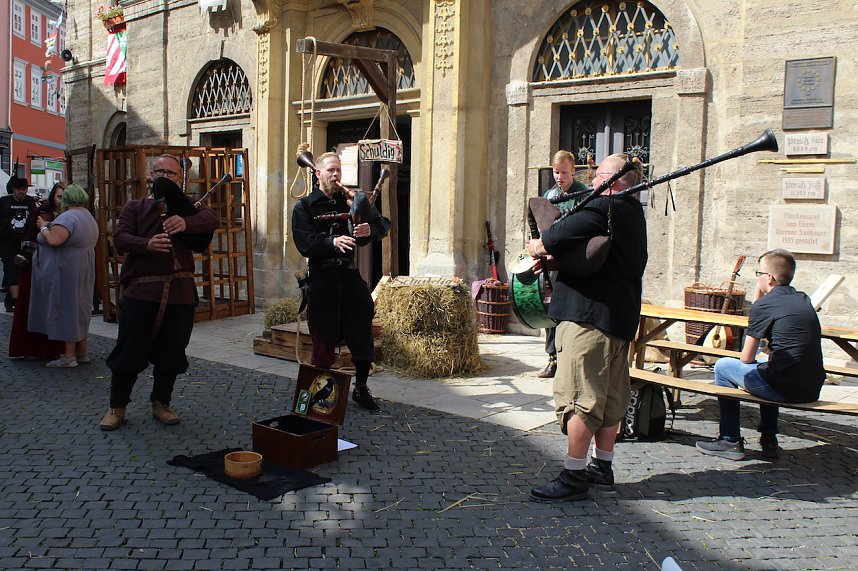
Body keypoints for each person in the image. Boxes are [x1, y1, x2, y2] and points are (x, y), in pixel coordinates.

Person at [526, 153, 647, 502]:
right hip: (619, 318)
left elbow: (555, 233)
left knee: (581, 397)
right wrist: (558, 259)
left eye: (599, 176)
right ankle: (602, 467)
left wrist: (539, 247)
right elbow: (596, 255)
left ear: (613, 182)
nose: (592, 181)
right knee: (609, 397)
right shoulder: (632, 213)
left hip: (589, 319)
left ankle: (574, 474)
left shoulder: (602, 209)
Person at [100, 154, 219, 431]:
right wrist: (147, 244)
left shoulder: (187, 206)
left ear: (179, 179)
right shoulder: (135, 206)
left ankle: (161, 403)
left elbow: (211, 218)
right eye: (160, 171)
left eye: (171, 173)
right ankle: (117, 406)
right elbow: (120, 238)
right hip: (142, 292)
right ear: (151, 176)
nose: (165, 177)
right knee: (129, 350)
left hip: (179, 293)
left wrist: (187, 224)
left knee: (171, 353)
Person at [696, 249, 825, 460]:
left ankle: (729, 440)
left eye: (759, 274)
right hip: (812, 388)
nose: (757, 278)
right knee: (768, 365)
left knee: (723, 366)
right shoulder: (803, 299)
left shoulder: (764, 306)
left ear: (769, 278)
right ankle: (769, 439)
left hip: (785, 389)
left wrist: (758, 299)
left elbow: (746, 357)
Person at [291, 152, 389, 413]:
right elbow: (305, 244)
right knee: (323, 338)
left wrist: (369, 230)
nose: (336, 175)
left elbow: (382, 226)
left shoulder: (352, 201)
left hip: (349, 275)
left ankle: (361, 388)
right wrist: (331, 242)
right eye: (331, 170)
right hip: (322, 279)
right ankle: (317, 399)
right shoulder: (304, 207)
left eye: (339, 171)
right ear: (318, 173)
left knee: (361, 332)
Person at [27, 184, 99, 367]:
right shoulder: (88, 216)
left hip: (66, 270)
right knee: (80, 307)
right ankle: (81, 352)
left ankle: (69, 356)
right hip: (83, 266)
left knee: (68, 308)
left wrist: (43, 227)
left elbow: (54, 240)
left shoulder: (68, 217)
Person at [537, 150, 589, 379]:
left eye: (564, 173)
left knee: (573, 311)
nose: (559, 177)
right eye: (556, 172)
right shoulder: (550, 194)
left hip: (575, 260)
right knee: (551, 307)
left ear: (573, 171)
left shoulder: (584, 193)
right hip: (553, 261)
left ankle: (572, 359)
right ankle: (552, 358)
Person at [8, 182, 66, 360]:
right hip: (36, 268)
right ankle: (32, 348)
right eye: (59, 197)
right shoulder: (39, 213)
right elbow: (29, 241)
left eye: (64, 197)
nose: (61, 201)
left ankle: (56, 348)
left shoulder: (69, 214)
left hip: (59, 269)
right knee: (33, 308)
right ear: (52, 196)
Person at [1, 176, 38, 312]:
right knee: (11, 268)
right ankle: (16, 301)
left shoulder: (30, 202)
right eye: (19, 189)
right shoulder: (4, 201)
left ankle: (10, 300)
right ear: (14, 189)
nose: (22, 192)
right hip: (7, 242)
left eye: (24, 189)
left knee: (22, 268)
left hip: (24, 242)